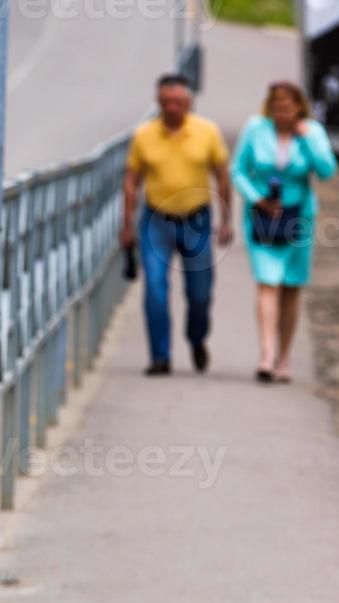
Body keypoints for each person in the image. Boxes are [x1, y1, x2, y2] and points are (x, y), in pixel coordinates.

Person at [120, 74, 235, 377]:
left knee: (200, 293)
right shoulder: (144, 135)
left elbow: (223, 175)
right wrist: (127, 225)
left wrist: (226, 221)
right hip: (155, 220)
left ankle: (197, 339)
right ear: (158, 102)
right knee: (155, 289)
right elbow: (131, 181)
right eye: (166, 102)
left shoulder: (206, 132)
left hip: (196, 220)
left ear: (189, 102)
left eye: (179, 102)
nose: (172, 108)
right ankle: (160, 356)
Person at [231, 81, 337, 383]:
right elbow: (237, 170)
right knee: (267, 282)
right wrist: (257, 199)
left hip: (298, 217)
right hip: (262, 216)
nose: (282, 115)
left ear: (299, 109)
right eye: (277, 109)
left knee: (290, 286)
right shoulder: (256, 129)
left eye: (288, 109)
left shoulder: (311, 133)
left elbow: (327, 171)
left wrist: (310, 140)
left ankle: (284, 357)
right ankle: (265, 355)